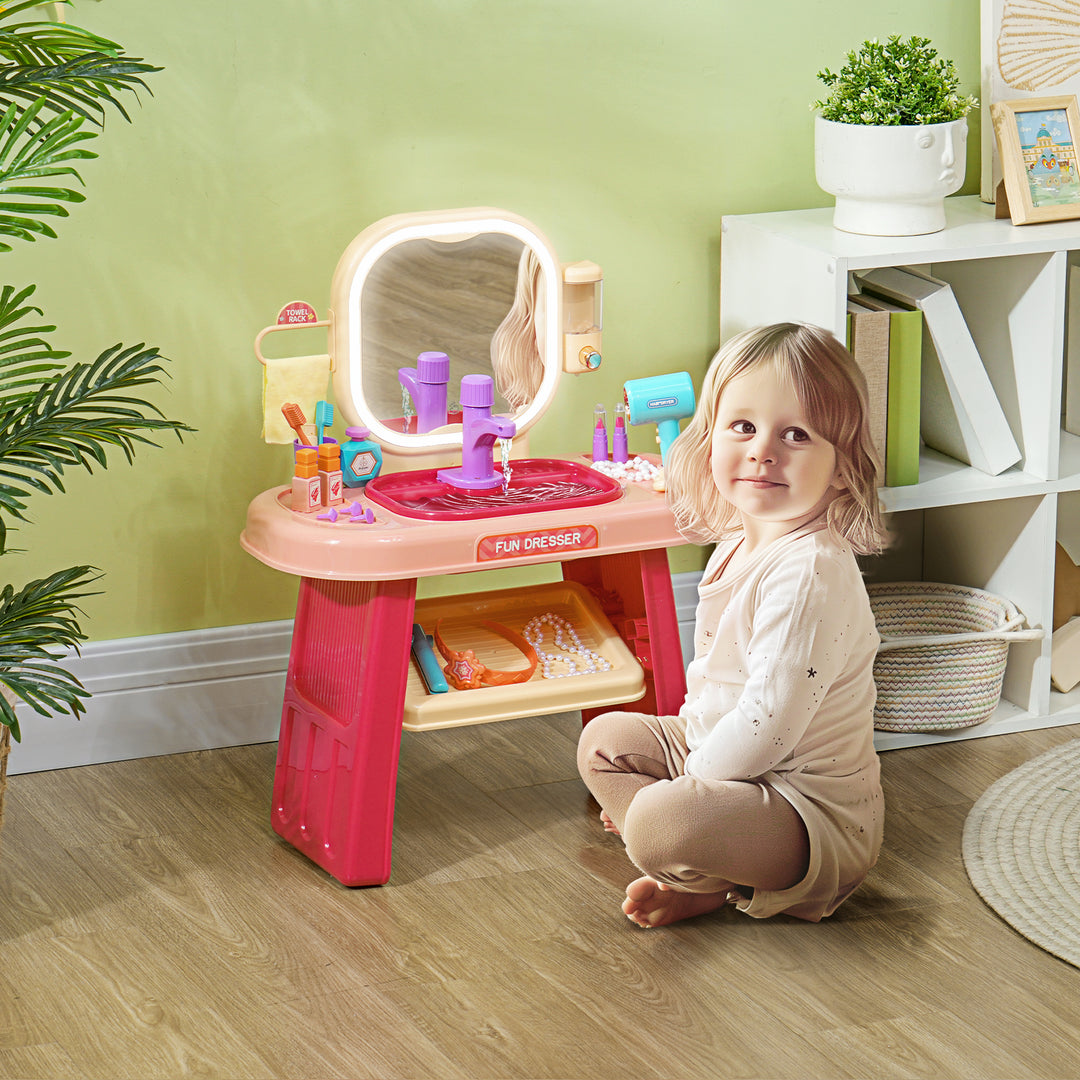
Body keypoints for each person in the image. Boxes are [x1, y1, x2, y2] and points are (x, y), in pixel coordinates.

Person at [577, 322, 890, 928]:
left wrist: (684, 787)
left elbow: (768, 725)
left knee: (657, 820)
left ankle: (701, 863)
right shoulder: (738, 537)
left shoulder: (809, 572)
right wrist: (684, 767)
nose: (762, 450)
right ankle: (706, 878)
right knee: (604, 743)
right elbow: (716, 685)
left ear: (841, 466)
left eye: (795, 435)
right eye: (743, 427)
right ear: (711, 436)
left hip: (807, 810)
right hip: (726, 760)